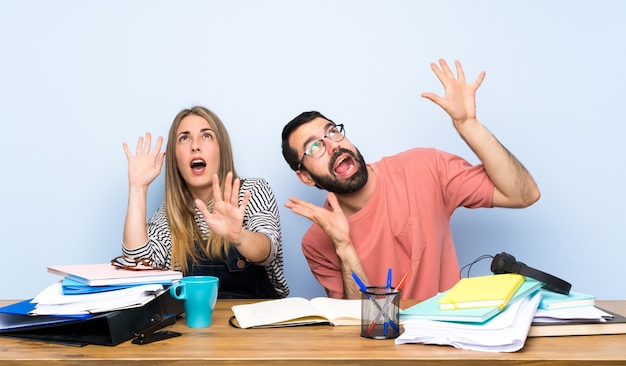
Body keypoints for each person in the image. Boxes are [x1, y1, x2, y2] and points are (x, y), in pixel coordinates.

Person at [281, 59, 540, 300]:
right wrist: (343, 246)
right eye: (314, 147)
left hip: (447, 337)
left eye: (333, 132)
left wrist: (468, 124)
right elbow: (354, 328)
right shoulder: (317, 242)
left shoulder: (424, 166)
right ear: (305, 176)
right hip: (381, 347)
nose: (333, 146)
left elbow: (524, 195)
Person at [122, 106, 289, 299]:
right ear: (175, 158)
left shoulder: (251, 190)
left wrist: (239, 236)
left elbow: (267, 250)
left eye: (206, 136)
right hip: (197, 325)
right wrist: (137, 188)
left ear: (222, 149)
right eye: (184, 138)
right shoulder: (169, 214)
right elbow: (138, 267)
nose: (195, 146)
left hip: (257, 322)